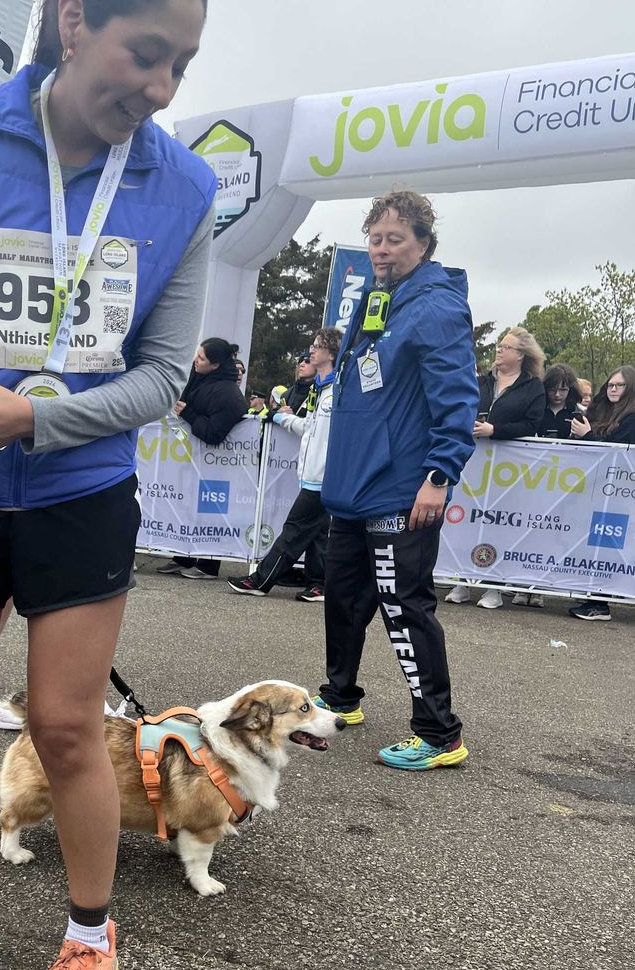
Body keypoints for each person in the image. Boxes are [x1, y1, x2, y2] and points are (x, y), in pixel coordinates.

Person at [0, 0, 216, 970]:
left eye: (181, 66)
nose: (160, 88)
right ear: (73, 21)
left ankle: (89, 941)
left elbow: (165, 375)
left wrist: (31, 417)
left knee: (67, 727)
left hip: (79, 492)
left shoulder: (184, 185)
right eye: (145, 53)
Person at [313, 189, 478, 771]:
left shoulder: (435, 306)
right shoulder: (379, 298)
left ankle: (438, 733)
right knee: (343, 595)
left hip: (400, 486)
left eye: (395, 239)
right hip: (354, 484)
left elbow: (457, 399)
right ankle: (340, 697)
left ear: (424, 243)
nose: (381, 250)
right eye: (375, 238)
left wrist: (438, 476)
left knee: (403, 606)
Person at [227, 326, 341, 602]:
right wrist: (279, 418)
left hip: (325, 476)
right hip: (312, 473)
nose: (311, 351)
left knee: (294, 530)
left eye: (316, 346)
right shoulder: (322, 388)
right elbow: (310, 428)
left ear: (331, 352)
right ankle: (319, 584)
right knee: (316, 532)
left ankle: (261, 580)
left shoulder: (340, 388)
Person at [446, 326, 546, 609]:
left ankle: (494, 587)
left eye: (506, 347)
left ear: (521, 355)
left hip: (507, 467)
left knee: (498, 523)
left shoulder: (533, 387)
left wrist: (496, 429)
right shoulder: (481, 381)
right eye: (499, 345)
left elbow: (532, 424)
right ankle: (461, 580)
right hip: (473, 461)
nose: (499, 350)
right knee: (466, 519)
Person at [155, 337, 247, 579]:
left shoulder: (228, 394)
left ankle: (208, 565)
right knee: (186, 505)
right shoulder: (198, 378)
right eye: (197, 354)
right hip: (191, 461)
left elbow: (214, 434)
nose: (195, 360)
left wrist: (187, 412)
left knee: (210, 511)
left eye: (202, 358)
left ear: (215, 365)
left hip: (216, 467)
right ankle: (183, 557)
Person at [564, 365, 635, 622]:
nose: (613, 390)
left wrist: (589, 435)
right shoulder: (600, 409)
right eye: (611, 385)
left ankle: (599, 602)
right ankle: (593, 596)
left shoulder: (631, 416)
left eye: (620, 385)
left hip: (618, 493)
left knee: (606, 546)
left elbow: (619, 451)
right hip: (595, 488)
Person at [540, 363, 581, 439]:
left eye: (563, 390)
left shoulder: (579, 412)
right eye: (552, 390)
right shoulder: (537, 410)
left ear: (571, 389)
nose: (557, 394)